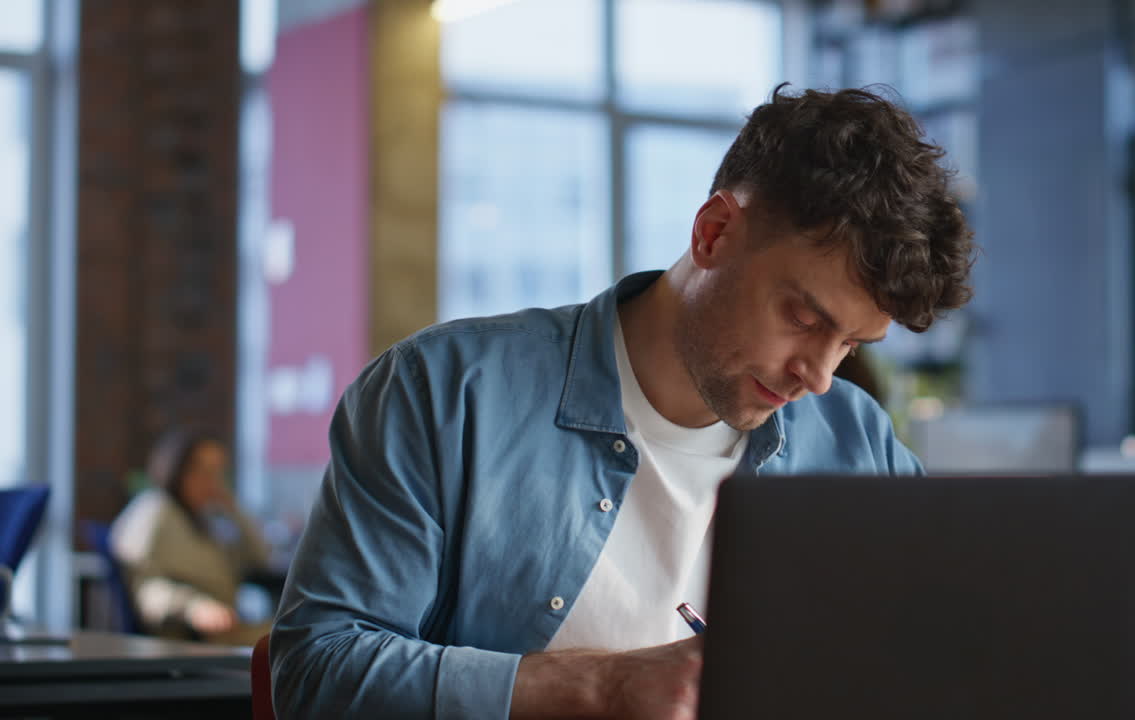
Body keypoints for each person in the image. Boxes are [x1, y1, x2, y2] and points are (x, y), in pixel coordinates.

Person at [272, 85, 975, 718]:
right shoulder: (447, 391)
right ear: (714, 233)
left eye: (852, 344)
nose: (819, 377)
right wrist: (597, 689)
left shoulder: (857, 443)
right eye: (804, 317)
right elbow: (316, 671)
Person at [111, 428, 274, 645]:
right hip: (188, 638)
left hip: (228, 628)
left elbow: (260, 557)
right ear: (178, 470)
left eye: (218, 472)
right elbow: (146, 588)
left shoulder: (207, 519)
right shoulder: (154, 512)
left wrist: (234, 510)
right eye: (204, 471)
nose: (213, 482)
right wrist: (193, 607)